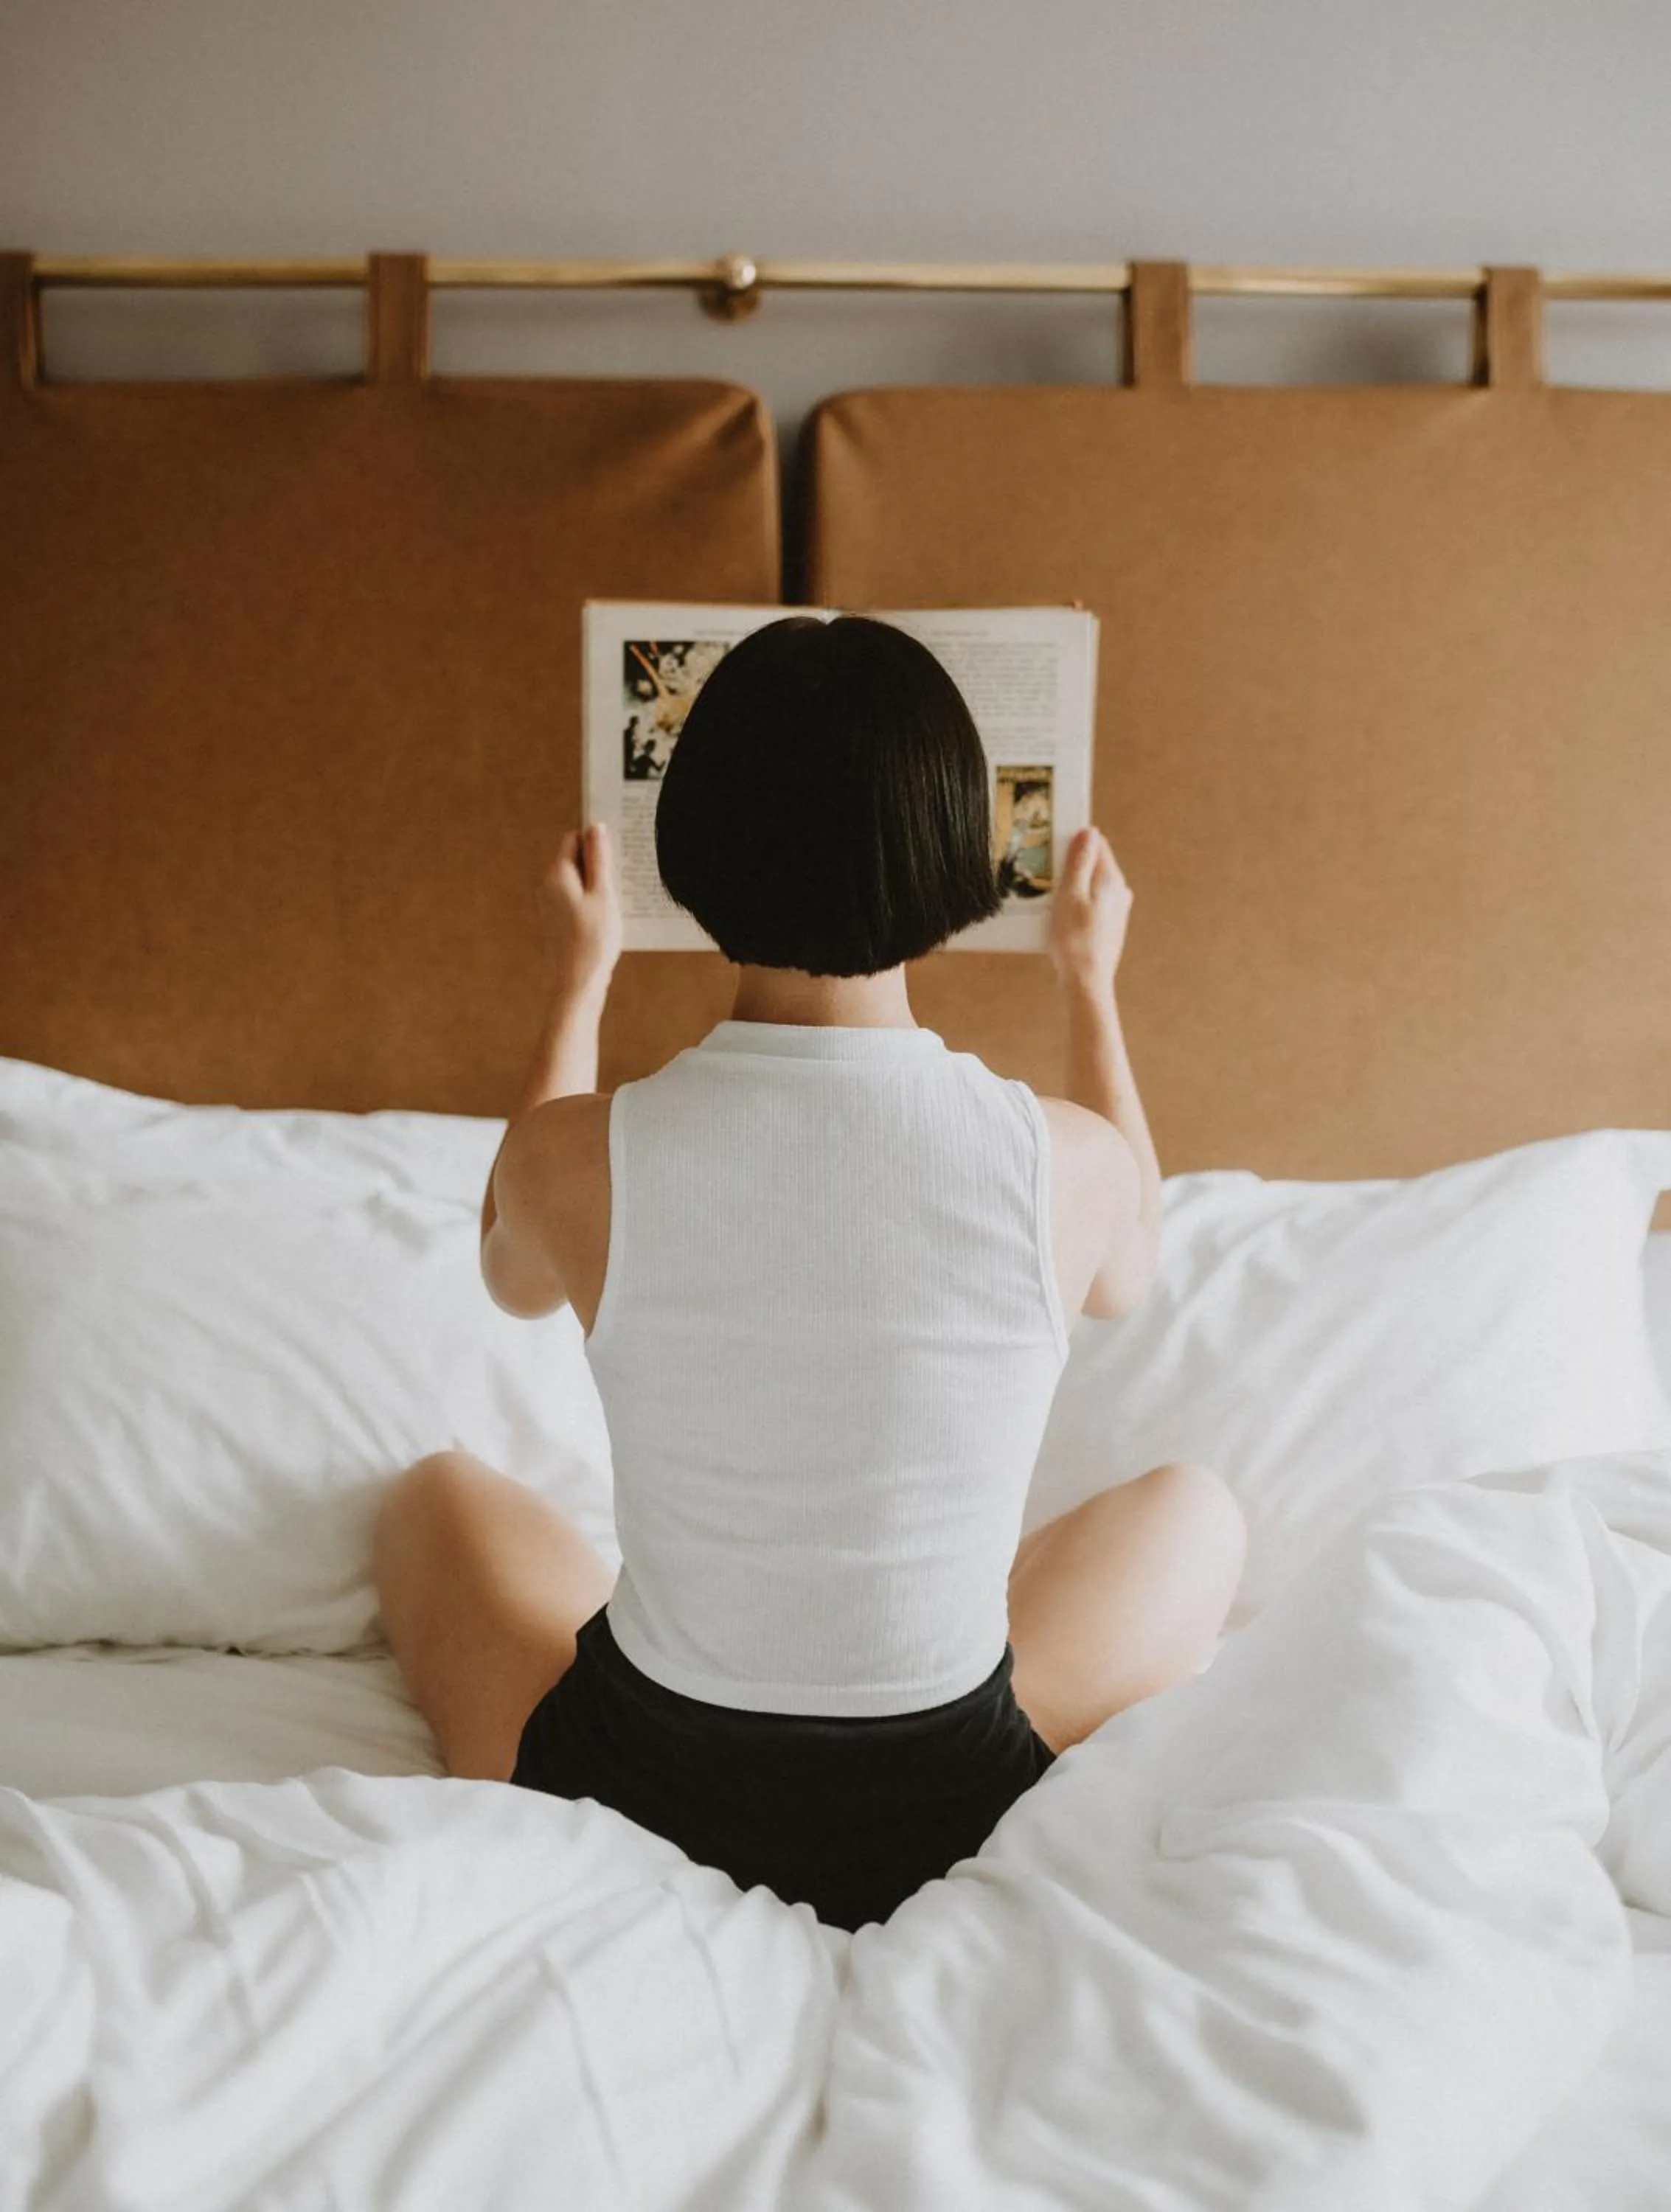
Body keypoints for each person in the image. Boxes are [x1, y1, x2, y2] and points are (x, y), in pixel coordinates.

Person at [374, 614, 1246, 1932]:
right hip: (946, 1804)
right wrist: (1091, 986)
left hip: (640, 1790)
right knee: (1199, 1515)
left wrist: (580, 976)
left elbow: (509, 1274)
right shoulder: (1062, 1163)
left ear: (694, 852)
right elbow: (1128, 1276)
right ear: (960, 851)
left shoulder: (579, 1155)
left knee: (432, 1497)